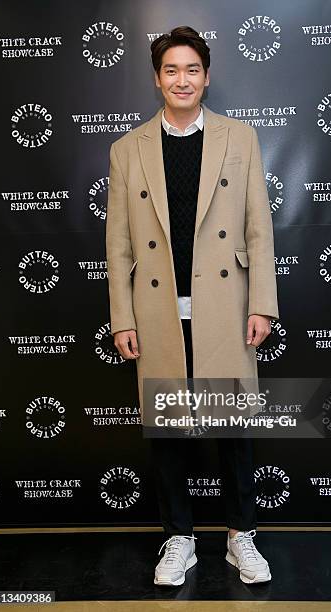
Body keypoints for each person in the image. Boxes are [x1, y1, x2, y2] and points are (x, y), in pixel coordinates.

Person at [106, 25, 279, 587]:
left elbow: (259, 230)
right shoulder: (126, 149)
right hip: (157, 311)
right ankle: (178, 539)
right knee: (170, 434)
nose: (183, 80)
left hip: (225, 307)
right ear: (157, 79)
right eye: (171, 70)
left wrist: (263, 305)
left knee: (232, 432)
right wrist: (123, 317)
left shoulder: (240, 138)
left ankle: (240, 538)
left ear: (206, 75)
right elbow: (119, 244)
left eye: (193, 69)